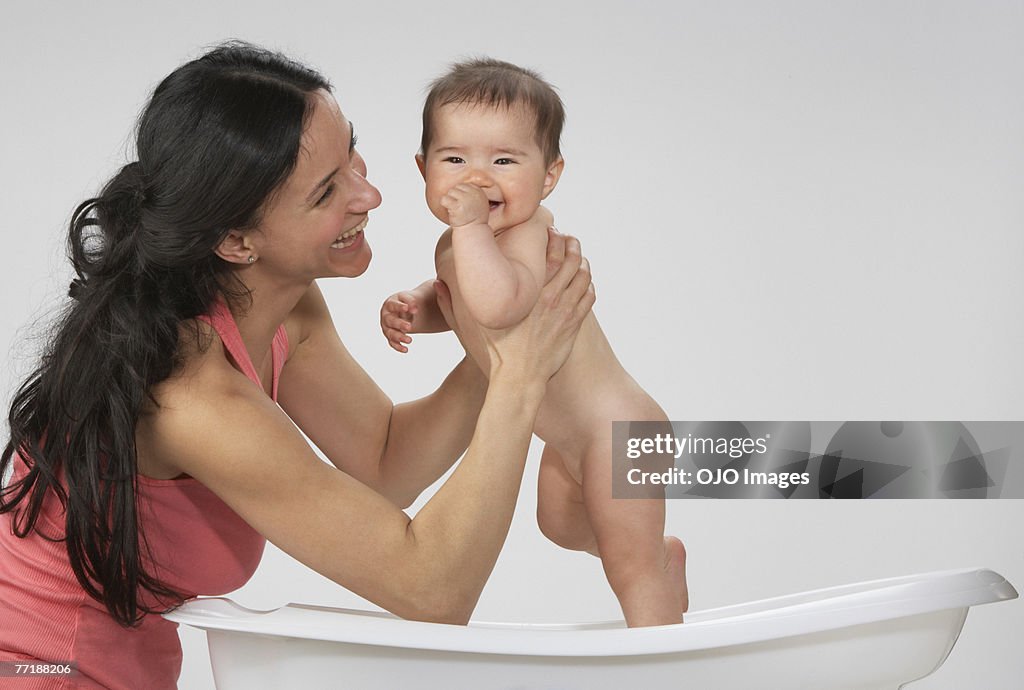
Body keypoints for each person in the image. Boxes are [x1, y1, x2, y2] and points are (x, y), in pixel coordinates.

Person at [0, 43, 594, 689]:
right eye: (325, 191)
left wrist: (502, 340)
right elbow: (432, 592)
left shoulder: (279, 304)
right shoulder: (193, 398)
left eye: (353, 156)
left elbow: (385, 463)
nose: (370, 195)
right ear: (236, 240)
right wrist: (518, 376)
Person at [380, 58, 687, 628]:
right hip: (569, 441)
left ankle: (662, 651)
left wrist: (470, 230)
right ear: (423, 169)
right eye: (454, 159)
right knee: (562, 528)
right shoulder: (464, 242)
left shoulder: (525, 234)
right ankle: (658, 561)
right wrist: (418, 308)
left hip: (620, 431)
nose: (477, 177)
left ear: (548, 175)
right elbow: (463, 301)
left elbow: (502, 303)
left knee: (628, 566)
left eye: (503, 160)